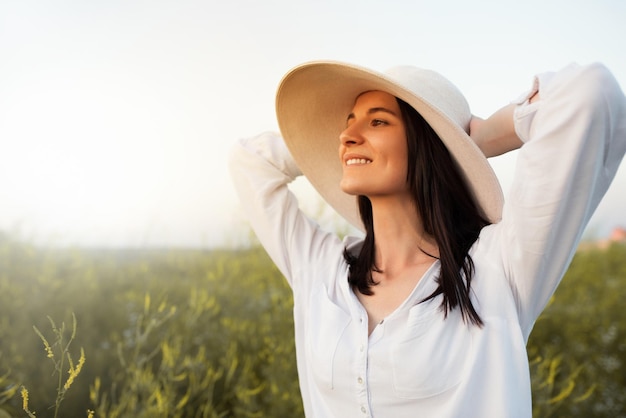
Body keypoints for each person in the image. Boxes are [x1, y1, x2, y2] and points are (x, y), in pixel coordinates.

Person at [229, 60, 626, 417]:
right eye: (347, 122)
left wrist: (476, 138)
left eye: (378, 121)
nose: (347, 134)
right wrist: (316, 142)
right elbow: (250, 161)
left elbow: (589, 93)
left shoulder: (498, 270)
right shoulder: (320, 268)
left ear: (427, 144)